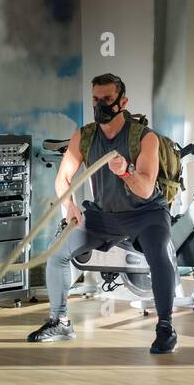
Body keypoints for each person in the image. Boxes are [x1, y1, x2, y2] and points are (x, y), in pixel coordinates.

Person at [27, 73, 178, 354]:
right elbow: (63, 178)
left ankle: (165, 327)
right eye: (96, 100)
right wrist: (69, 206)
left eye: (107, 99)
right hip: (104, 215)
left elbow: (146, 189)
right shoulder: (84, 136)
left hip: (145, 214)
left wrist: (125, 170)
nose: (100, 106)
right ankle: (60, 322)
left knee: (158, 253)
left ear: (123, 102)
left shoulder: (145, 138)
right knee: (57, 253)